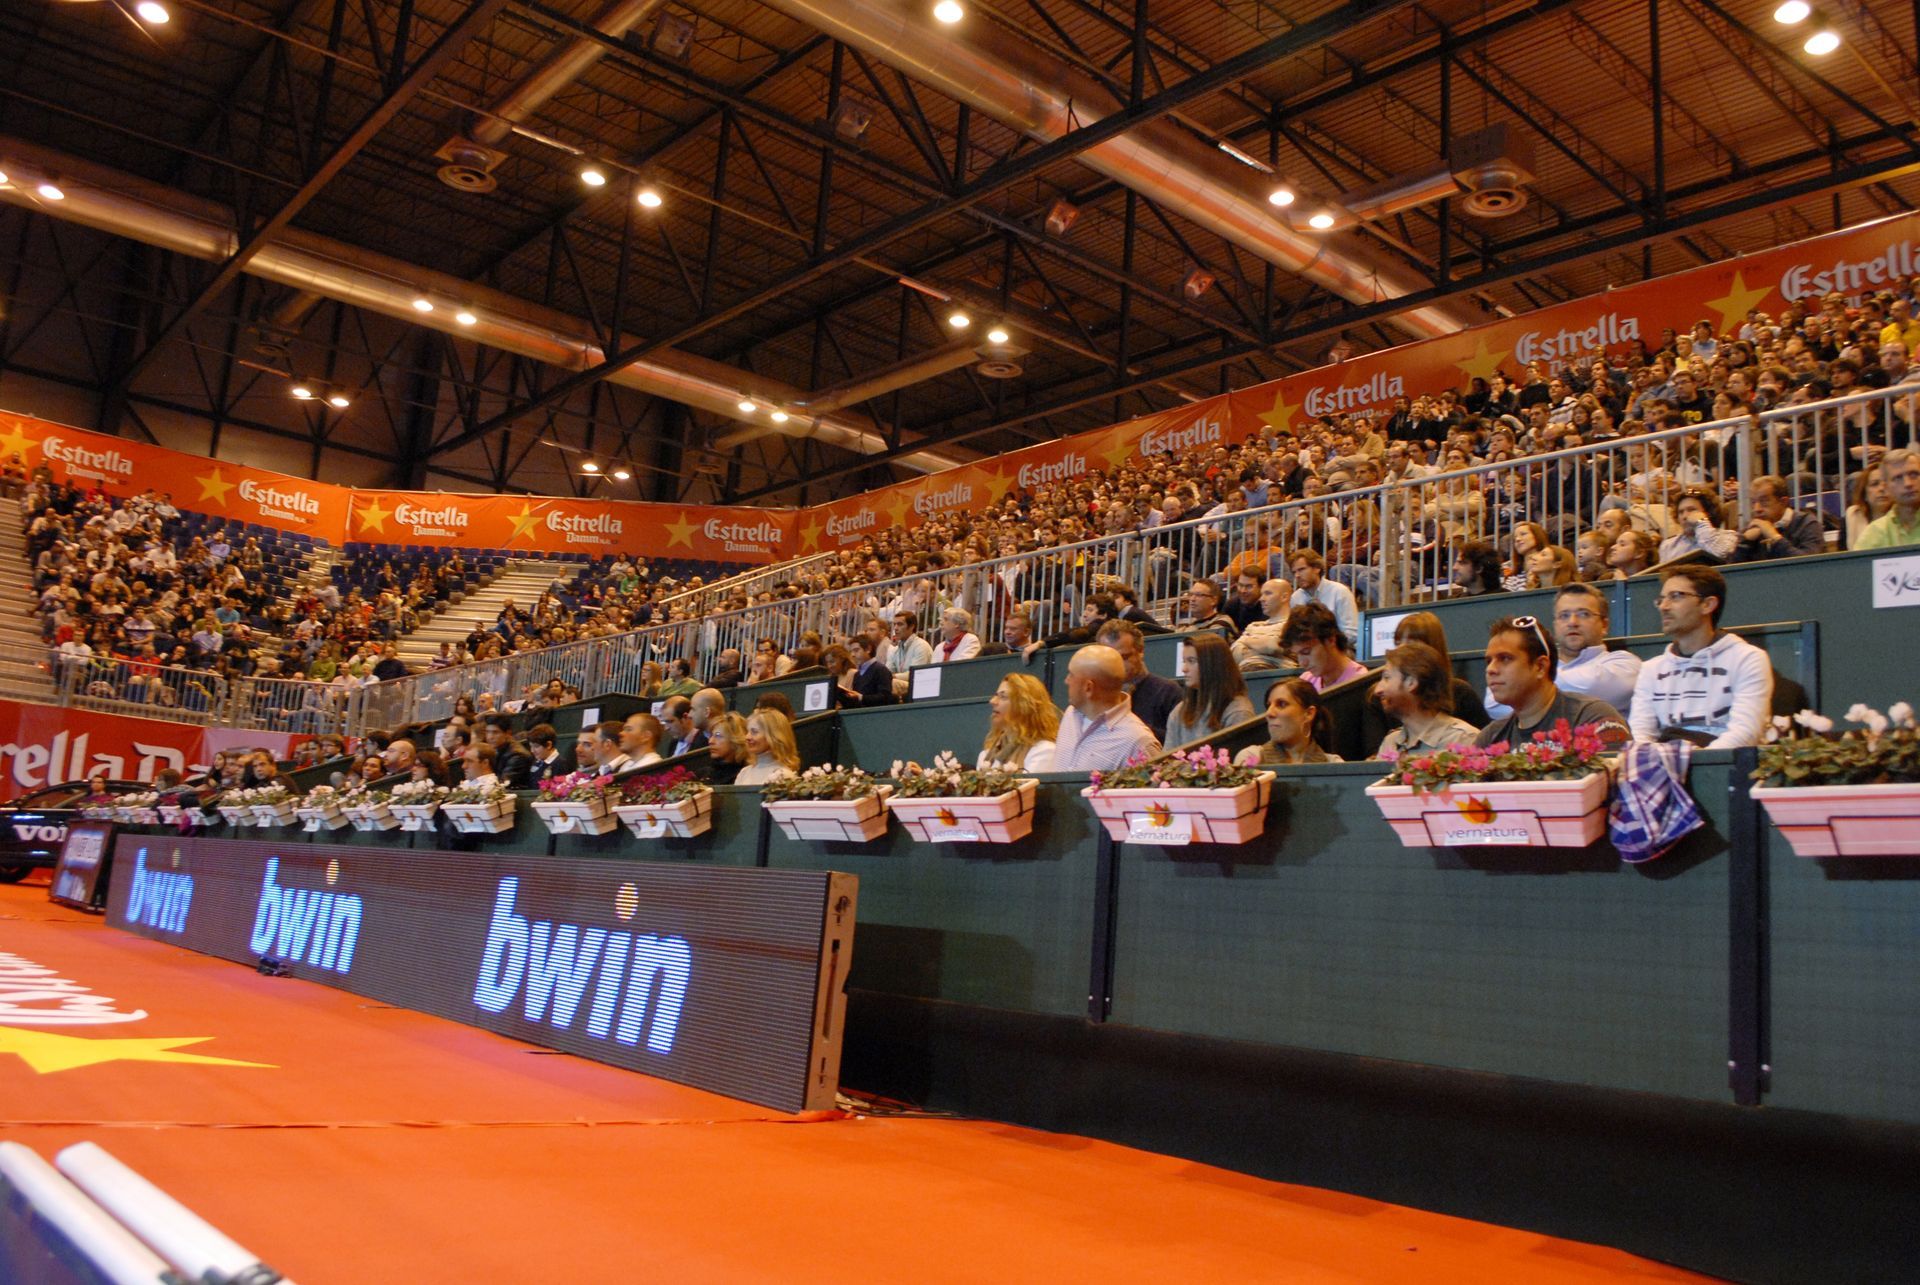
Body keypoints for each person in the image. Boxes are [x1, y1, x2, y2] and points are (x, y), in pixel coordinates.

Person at [1630, 566, 1773, 748]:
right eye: (1661, 599)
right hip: (1664, 761)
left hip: (1722, 762)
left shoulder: (1747, 659)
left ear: (1708, 605)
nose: (1664, 607)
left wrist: (1693, 761)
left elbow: (1745, 733)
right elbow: (1641, 734)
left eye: (1676, 596)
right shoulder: (1651, 669)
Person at [1475, 615, 1629, 748]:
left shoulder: (1594, 718)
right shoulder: (1489, 737)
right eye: (1489, 661)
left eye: (1505, 658)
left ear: (1540, 667)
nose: (1490, 669)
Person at [1052, 644, 1161, 772]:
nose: (1066, 680)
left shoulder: (1138, 743)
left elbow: (1154, 783)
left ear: (1088, 687)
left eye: (1071, 674)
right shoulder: (1070, 714)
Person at [1372, 642, 1477, 758]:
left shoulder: (1463, 739)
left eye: (1387, 678)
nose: (1377, 690)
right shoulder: (1390, 743)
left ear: (1411, 683)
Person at [1093, 619, 1182, 743]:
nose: (1116, 664)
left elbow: (1179, 741)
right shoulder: (1094, 694)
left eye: (1124, 657)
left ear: (1140, 652)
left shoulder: (1168, 691)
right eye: (1109, 658)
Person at [1163, 633, 1256, 749]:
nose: (1184, 669)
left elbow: (1239, 759)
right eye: (1184, 661)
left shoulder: (1238, 712)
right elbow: (1167, 758)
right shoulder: (1179, 711)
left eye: (1191, 661)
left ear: (1212, 664)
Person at [1234, 678, 1340, 766]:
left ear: (1309, 713)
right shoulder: (1250, 758)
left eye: (1281, 704)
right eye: (1268, 705)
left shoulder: (1335, 765)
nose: (1269, 713)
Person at [1731, 474, 1826, 561]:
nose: (1756, 509)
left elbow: (1810, 564)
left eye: (1764, 501)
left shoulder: (1807, 523)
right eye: (1753, 502)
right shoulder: (1751, 529)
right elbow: (1730, 569)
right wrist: (1745, 542)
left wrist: (1774, 537)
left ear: (1783, 502)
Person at [978, 673, 1059, 771]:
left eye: (1003, 697)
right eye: (996, 695)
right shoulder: (986, 755)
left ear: (1024, 706)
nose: (992, 701)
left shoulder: (1043, 751)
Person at [1281, 603, 1368, 691]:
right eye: (1297, 655)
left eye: (1306, 652)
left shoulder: (1360, 682)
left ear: (1330, 640)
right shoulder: (1306, 681)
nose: (1302, 663)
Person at [1288, 548, 1359, 649]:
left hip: (1339, 650)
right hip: (1308, 651)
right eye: (1294, 572)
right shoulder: (1295, 597)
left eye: (1301, 569)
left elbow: (1351, 632)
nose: (1297, 575)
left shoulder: (1339, 591)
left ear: (1317, 568)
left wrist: (1324, 647)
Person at [1855, 448, 1920, 548]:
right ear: (1886, 486)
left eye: (1913, 474)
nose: (1908, 483)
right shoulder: (1873, 534)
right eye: (1898, 478)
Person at [1658, 489, 1738, 564]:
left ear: (1709, 513)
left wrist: (1701, 522)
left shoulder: (1728, 536)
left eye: (1691, 510)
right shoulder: (1668, 545)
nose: (1684, 516)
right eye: (1681, 512)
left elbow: (1718, 554)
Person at [1230, 577, 1293, 671]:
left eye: (1268, 593)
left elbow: (1273, 647)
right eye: (1262, 594)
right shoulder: (1253, 626)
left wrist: (1246, 641)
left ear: (1284, 597)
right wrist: (1265, 651)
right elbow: (1234, 652)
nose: (1261, 599)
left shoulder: (1293, 624)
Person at [736, 709, 800, 786]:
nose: (747, 737)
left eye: (754, 732)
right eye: (747, 732)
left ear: (773, 736)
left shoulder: (783, 775)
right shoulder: (744, 773)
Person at [843, 634, 896, 707]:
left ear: (868, 649)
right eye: (851, 651)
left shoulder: (881, 670)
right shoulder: (857, 675)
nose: (852, 655)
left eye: (856, 650)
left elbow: (885, 697)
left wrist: (861, 697)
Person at [705, 712, 749, 786]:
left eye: (718, 736)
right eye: (711, 735)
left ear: (735, 739)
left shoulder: (745, 775)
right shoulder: (704, 774)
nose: (710, 741)